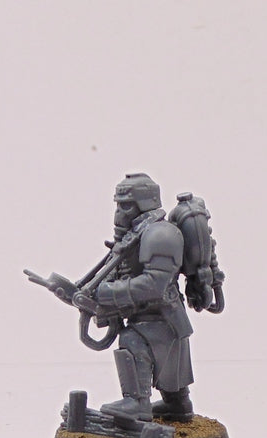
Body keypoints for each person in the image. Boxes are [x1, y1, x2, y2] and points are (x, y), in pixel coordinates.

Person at [73, 173, 198, 422]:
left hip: (161, 317)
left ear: (145, 203)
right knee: (168, 365)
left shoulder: (161, 234)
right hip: (148, 314)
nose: (119, 213)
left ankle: (138, 402)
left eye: (126, 206)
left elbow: (154, 285)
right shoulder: (137, 233)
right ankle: (177, 405)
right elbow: (121, 268)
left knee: (132, 339)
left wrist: (107, 294)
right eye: (118, 205)